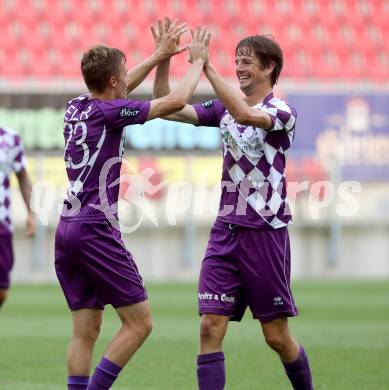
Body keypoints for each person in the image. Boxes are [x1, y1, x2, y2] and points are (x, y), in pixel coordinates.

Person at [153, 19, 313, 390]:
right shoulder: (224, 106)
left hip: (265, 234)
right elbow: (167, 104)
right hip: (225, 232)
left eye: (247, 61)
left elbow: (244, 115)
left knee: (276, 336)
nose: (238, 68)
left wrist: (204, 65)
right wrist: (165, 59)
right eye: (236, 61)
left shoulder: (282, 111)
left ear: (269, 67)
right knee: (210, 327)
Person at [55, 20, 210, 390]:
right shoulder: (109, 113)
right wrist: (197, 63)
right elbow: (174, 102)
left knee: (85, 330)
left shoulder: (76, 107)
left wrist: (159, 56)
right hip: (95, 228)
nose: (128, 78)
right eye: (123, 74)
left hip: (66, 227)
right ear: (112, 81)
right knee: (140, 323)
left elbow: (121, 88)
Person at [0, 126, 36, 309]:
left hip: (2, 222)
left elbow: (22, 177)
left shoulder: (10, 138)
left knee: (2, 290)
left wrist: (31, 214)